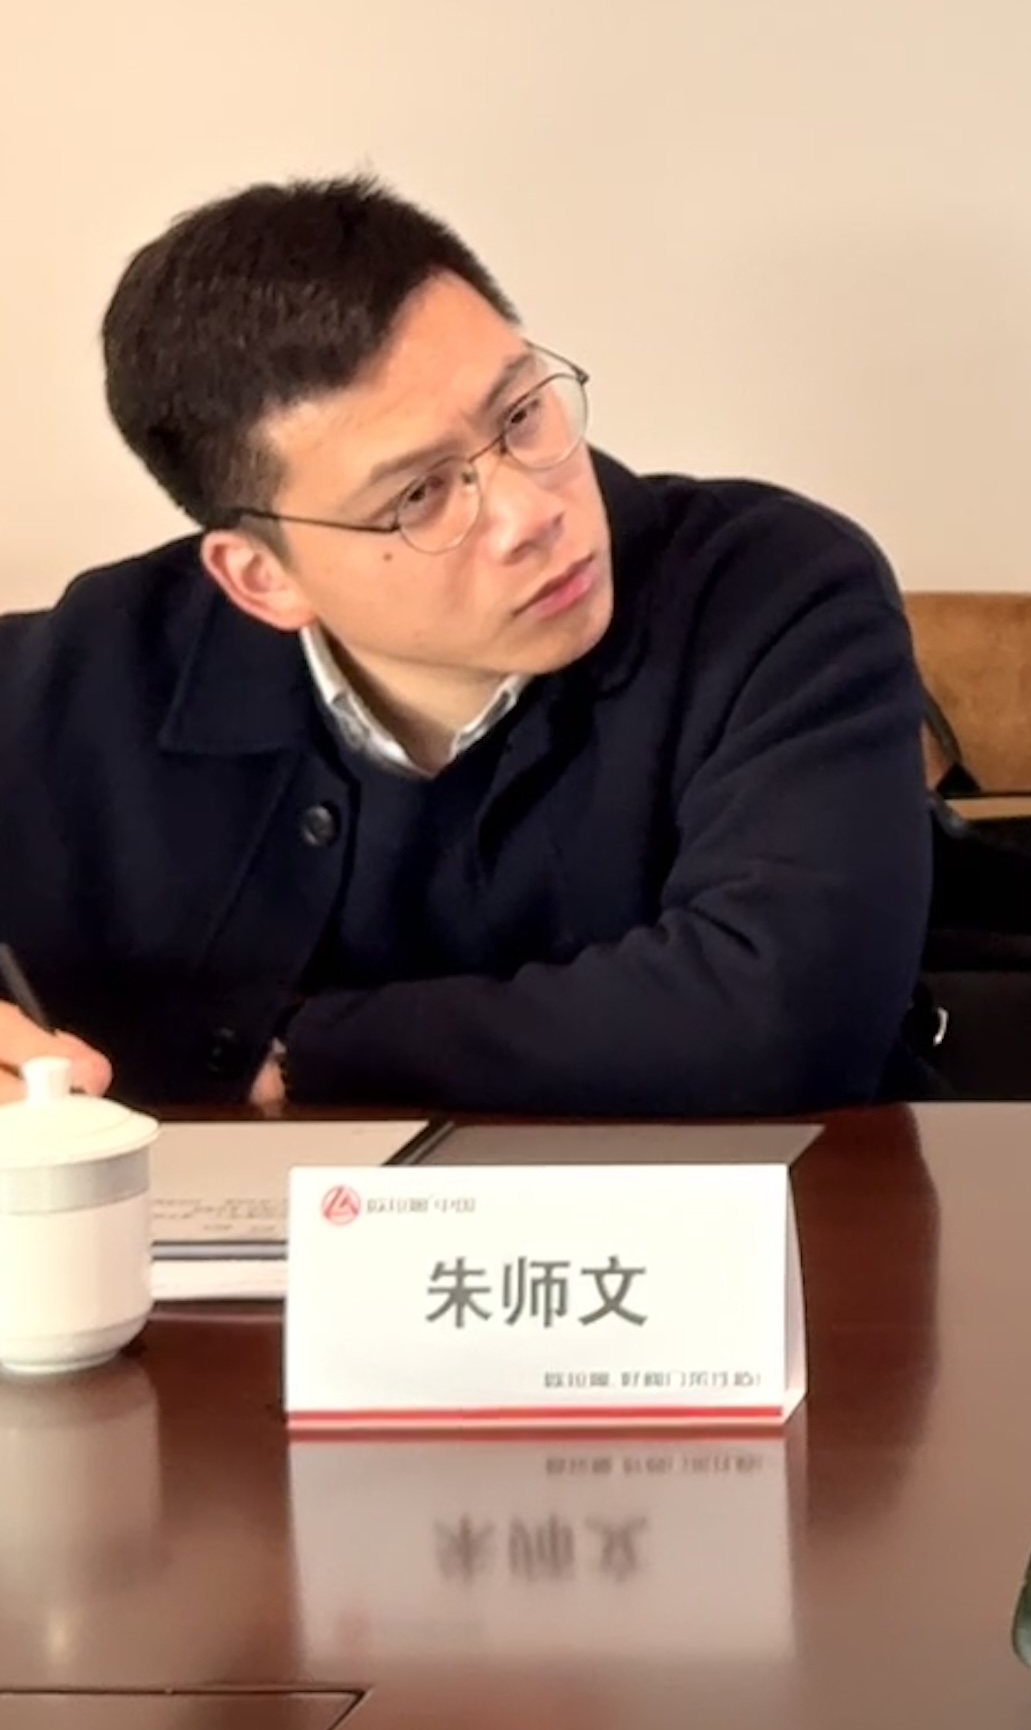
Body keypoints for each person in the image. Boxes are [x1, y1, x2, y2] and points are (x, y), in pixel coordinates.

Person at [0, 177, 929, 1113]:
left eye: (520, 416)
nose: (532, 513)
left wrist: (303, 1055)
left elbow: (780, 1016)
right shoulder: (99, 668)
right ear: (262, 578)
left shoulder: (771, 589)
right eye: (419, 495)